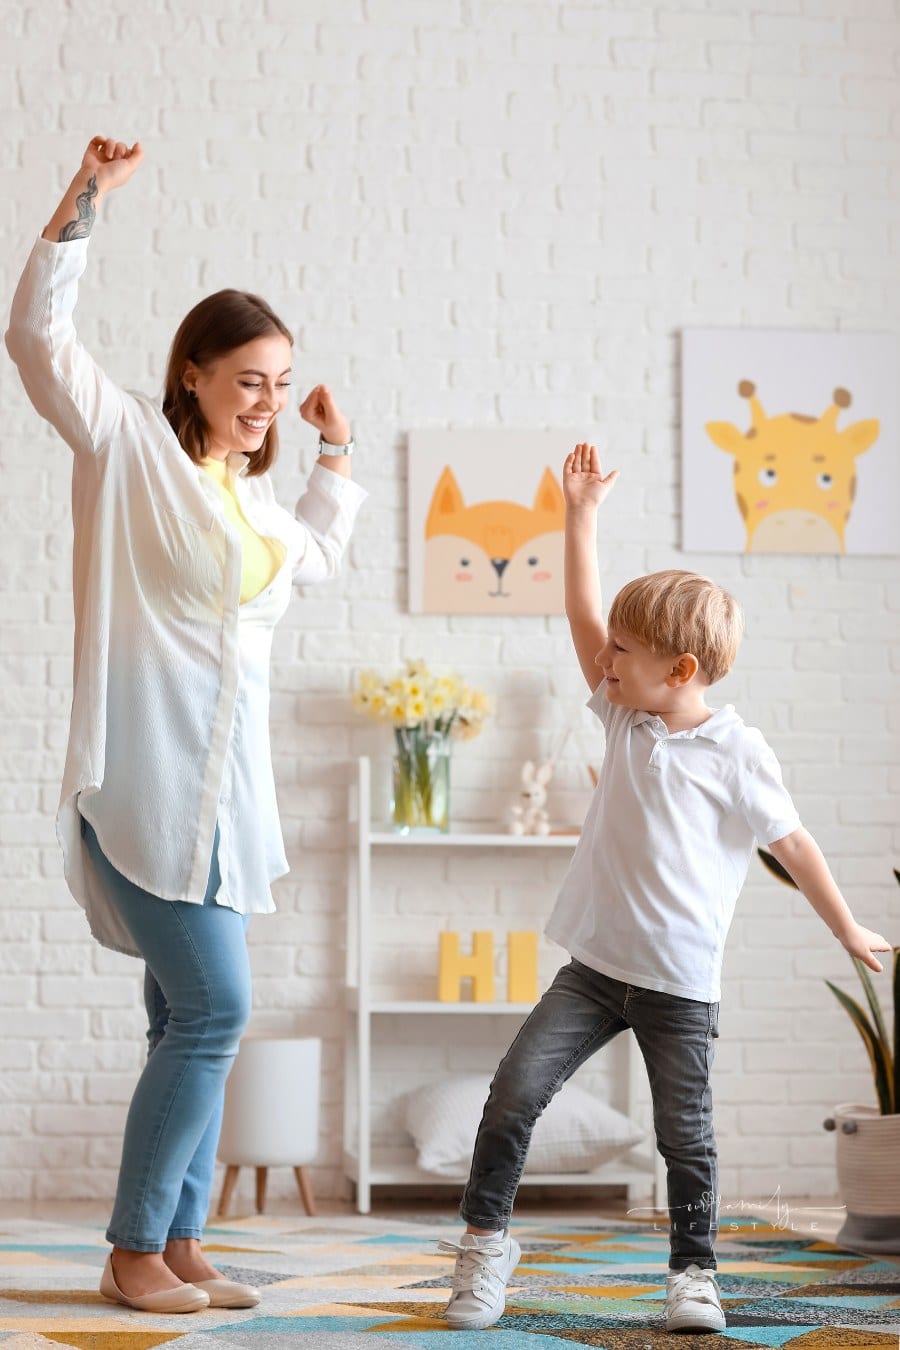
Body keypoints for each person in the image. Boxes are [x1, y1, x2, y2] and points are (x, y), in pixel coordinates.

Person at [6, 137, 367, 1314]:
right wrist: (83, 204)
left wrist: (336, 453)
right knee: (217, 1012)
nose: (265, 400)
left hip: (226, 804)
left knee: (182, 1012)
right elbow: (37, 344)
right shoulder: (131, 454)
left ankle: (183, 1240)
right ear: (196, 374)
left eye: (280, 379)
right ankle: (129, 1252)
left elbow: (309, 559)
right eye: (249, 378)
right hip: (147, 784)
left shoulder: (248, 499)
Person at [437, 442, 891, 1335]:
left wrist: (846, 927)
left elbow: (793, 843)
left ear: (680, 670)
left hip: (680, 982)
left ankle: (694, 1275)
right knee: (515, 1093)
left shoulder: (736, 753)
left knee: (685, 1137)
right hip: (594, 967)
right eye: (608, 645)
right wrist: (580, 515)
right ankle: (485, 1249)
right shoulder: (622, 715)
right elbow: (577, 611)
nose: (603, 657)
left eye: (624, 648)